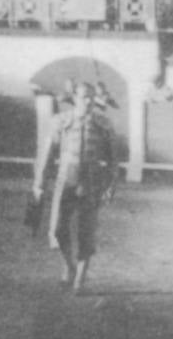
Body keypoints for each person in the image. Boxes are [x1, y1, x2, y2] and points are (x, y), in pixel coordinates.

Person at [32, 83, 118, 294]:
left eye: (91, 98)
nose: (88, 102)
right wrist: (39, 183)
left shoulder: (103, 124)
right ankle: (69, 266)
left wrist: (111, 185)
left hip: (91, 180)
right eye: (83, 97)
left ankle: (80, 278)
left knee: (86, 231)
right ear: (75, 98)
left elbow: (113, 160)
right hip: (66, 179)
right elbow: (47, 154)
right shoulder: (61, 121)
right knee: (58, 229)